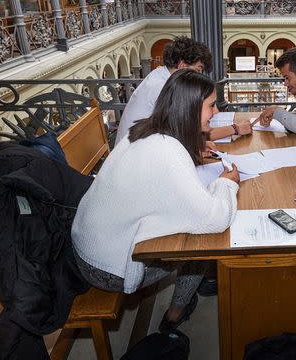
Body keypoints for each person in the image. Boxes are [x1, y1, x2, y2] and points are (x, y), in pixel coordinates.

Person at [72, 69, 241, 332]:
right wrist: (228, 182)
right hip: (105, 268)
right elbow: (216, 218)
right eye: (211, 105)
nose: (216, 112)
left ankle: (189, 294)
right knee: (200, 244)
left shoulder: (143, 130)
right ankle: (175, 314)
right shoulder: (168, 152)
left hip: (87, 245)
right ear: (190, 108)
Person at [116, 36, 252, 141]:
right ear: (182, 66)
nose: (199, 77)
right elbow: (190, 135)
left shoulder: (160, 76)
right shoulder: (163, 88)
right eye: (198, 70)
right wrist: (235, 129)